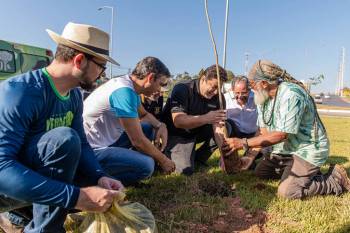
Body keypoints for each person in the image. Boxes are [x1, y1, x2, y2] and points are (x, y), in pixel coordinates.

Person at [0, 22, 124, 233]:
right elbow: (2, 167)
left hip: (33, 175)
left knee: (71, 143)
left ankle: (37, 224)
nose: (102, 74)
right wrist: (77, 198)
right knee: (63, 139)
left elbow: (83, 144)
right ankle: (19, 216)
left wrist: (99, 176)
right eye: (101, 66)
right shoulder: (20, 92)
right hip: (8, 183)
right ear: (79, 60)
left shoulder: (74, 95)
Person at [222, 60, 350, 199]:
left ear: (264, 83)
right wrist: (249, 156)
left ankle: (335, 180)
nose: (252, 90)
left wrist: (243, 143)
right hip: (285, 151)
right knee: (261, 172)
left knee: (287, 192)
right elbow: (263, 133)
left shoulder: (291, 94)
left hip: (307, 150)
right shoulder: (262, 98)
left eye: (253, 85)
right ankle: (305, 174)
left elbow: (281, 135)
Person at [83, 57, 176, 185]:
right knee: (147, 165)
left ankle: (126, 165)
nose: (160, 90)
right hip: (91, 150)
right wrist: (164, 160)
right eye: (160, 84)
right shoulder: (124, 92)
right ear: (150, 78)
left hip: (105, 141)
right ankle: (95, 179)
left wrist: (161, 125)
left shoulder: (128, 86)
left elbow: (143, 116)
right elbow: (137, 141)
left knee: (148, 128)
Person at [162, 65, 227, 175]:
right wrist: (207, 118)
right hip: (177, 134)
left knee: (227, 126)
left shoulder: (218, 97)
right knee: (185, 171)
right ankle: (169, 153)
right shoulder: (183, 89)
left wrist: (224, 156)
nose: (216, 92)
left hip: (198, 132)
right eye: (214, 86)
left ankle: (198, 158)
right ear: (203, 79)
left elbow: (219, 128)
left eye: (219, 88)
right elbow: (178, 121)